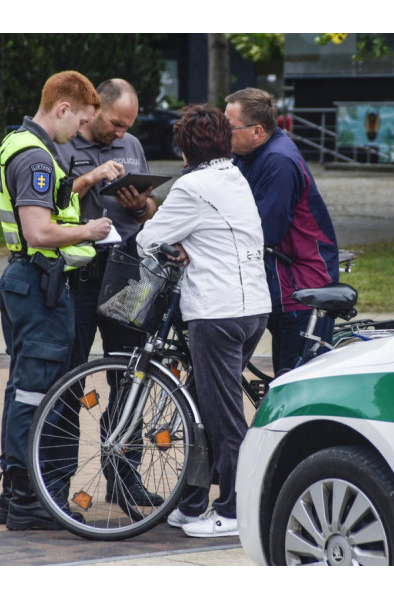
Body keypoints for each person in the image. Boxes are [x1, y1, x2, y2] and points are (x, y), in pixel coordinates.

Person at [0, 70, 125, 530]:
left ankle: (15, 497)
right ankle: (29, 502)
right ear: (64, 108)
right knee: (33, 394)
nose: (77, 133)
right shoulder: (35, 157)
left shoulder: (21, 144)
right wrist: (89, 231)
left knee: (23, 390)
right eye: (80, 121)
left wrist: (85, 182)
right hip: (39, 283)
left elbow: (52, 201)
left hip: (27, 282)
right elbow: (38, 230)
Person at [136, 104, 270, 538]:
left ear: (183, 148)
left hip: (216, 313)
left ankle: (234, 510)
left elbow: (147, 239)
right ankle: (192, 502)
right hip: (252, 310)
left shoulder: (192, 187)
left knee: (222, 417)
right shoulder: (236, 178)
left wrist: (172, 244)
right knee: (198, 406)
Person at [54, 78, 161, 507]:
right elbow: (52, 200)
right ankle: (58, 482)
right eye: (116, 124)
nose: (121, 134)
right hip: (81, 273)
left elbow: (151, 209)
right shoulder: (62, 141)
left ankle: (124, 476)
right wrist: (91, 177)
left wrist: (141, 206)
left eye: (127, 126)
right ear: (94, 108)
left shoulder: (131, 143)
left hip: (130, 271)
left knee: (131, 374)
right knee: (69, 377)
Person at [224, 88, 340, 376]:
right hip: (279, 282)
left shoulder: (278, 160)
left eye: (229, 127)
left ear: (257, 131)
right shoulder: (250, 154)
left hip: (302, 285)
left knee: (294, 386)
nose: (222, 133)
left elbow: (264, 231)